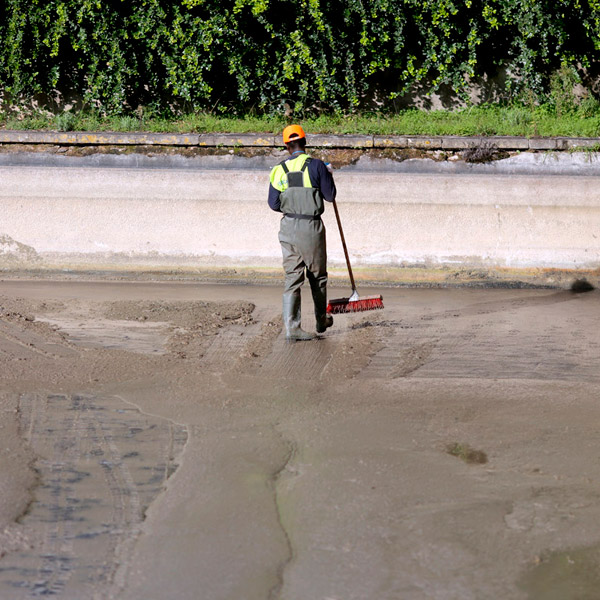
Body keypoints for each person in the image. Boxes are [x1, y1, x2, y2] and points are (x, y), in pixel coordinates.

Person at [268, 124, 337, 341]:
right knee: (317, 276)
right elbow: (330, 196)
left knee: (292, 277)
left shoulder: (278, 169)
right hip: (311, 227)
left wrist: (292, 209)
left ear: (287, 145)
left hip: (288, 227)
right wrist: (329, 174)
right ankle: (321, 320)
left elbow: (273, 203)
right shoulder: (317, 166)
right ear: (305, 142)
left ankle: (292, 328)